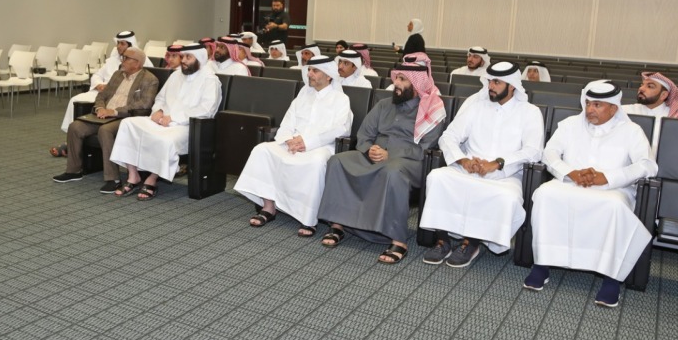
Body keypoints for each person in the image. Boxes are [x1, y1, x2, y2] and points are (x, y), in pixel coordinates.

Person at [525, 80, 658, 307]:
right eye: (588, 103)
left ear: (613, 108)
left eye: (597, 105)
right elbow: (549, 153)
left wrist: (608, 177)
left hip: (613, 189)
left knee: (614, 207)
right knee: (544, 195)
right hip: (569, 183)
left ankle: (611, 277)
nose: (589, 110)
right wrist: (570, 173)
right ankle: (542, 264)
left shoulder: (631, 131)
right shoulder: (569, 125)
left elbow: (647, 165)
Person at [315, 54, 446, 264]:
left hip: (408, 161)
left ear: (417, 84)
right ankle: (338, 224)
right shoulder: (384, 104)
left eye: (403, 80)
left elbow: (424, 149)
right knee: (337, 161)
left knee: (391, 171)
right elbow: (364, 134)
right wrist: (370, 150)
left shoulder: (433, 109)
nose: (397, 84)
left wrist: (390, 153)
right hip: (375, 154)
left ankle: (398, 240)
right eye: (397, 79)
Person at [419, 61, 545, 268]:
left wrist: (497, 163)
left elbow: (533, 150)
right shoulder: (476, 105)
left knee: (507, 196)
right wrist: (463, 160)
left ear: (512, 85)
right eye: (489, 81)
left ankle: (472, 242)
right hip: (467, 167)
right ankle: (443, 239)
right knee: (438, 178)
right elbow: (449, 136)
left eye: (497, 82)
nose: (491, 86)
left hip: (505, 174)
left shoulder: (530, 112)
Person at [233, 56, 353, 232]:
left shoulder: (340, 99)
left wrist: (307, 142)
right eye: (309, 69)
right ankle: (268, 206)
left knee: (316, 163)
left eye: (314, 70)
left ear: (328, 76)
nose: (309, 73)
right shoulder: (303, 95)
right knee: (263, 150)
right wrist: (288, 139)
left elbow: (341, 129)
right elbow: (288, 121)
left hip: (320, 147)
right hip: (292, 143)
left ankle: (308, 219)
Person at [111, 43, 222, 200]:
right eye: (183, 57)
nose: (183, 60)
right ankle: (133, 175)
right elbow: (161, 98)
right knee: (128, 124)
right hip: (162, 120)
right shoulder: (176, 75)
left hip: (187, 126)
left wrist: (174, 117)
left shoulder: (210, 80)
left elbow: (207, 110)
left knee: (164, 139)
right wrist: (159, 110)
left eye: (188, 57)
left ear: (199, 59)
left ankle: (152, 179)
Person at [52, 47, 159, 193]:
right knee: (75, 127)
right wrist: (100, 109)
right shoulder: (117, 75)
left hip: (126, 117)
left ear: (137, 63)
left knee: (105, 130)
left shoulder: (149, 79)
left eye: (126, 58)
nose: (122, 61)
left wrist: (114, 111)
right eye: (123, 57)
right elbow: (102, 96)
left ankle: (113, 179)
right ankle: (74, 171)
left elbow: (144, 104)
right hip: (103, 115)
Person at [53, 30, 153, 154]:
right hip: (102, 92)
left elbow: (144, 85)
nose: (119, 47)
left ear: (130, 45)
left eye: (122, 44)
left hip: (121, 98)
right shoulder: (111, 61)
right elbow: (97, 75)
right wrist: (99, 84)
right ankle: (72, 141)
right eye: (118, 43)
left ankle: (73, 144)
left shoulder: (142, 62)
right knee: (75, 100)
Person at [622, 72, 678, 144]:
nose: (641, 88)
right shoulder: (625, 111)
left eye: (650, 86)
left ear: (663, 95)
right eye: (642, 85)